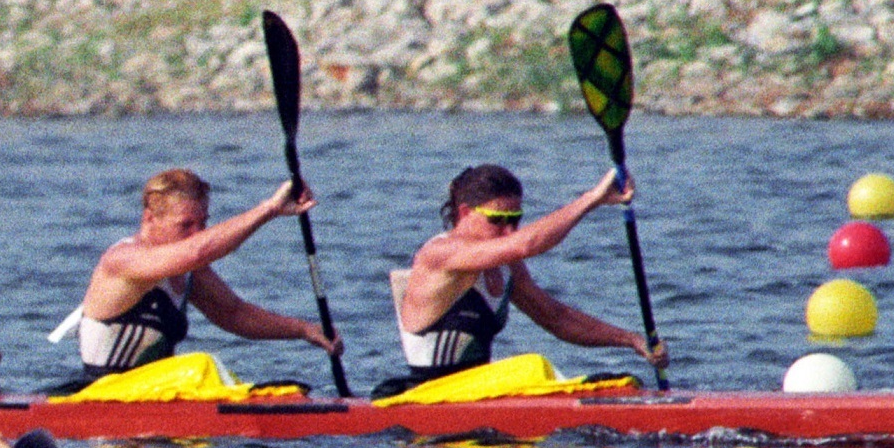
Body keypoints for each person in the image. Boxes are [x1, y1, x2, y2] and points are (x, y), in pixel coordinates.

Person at [386, 164, 667, 395]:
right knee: (533, 364)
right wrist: (592, 199)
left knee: (618, 384)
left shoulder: (507, 265)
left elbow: (556, 317)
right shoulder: (440, 253)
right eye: (497, 220)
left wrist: (631, 340)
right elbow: (525, 245)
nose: (509, 230)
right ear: (464, 213)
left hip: (478, 391)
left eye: (516, 219)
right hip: (429, 394)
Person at [67, 169, 340, 381]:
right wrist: (269, 209)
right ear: (150, 219)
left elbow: (234, 314)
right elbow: (198, 251)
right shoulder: (123, 261)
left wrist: (305, 330)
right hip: (104, 392)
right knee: (202, 364)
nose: (197, 233)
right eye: (185, 224)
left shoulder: (188, 270)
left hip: (154, 393)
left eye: (203, 223)